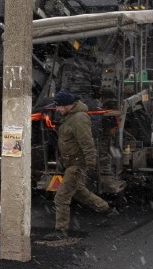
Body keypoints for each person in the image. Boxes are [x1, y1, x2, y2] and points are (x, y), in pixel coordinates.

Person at [48, 90, 117, 238]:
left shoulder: (78, 119)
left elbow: (87, 143)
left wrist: (90, 164)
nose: (57, 110)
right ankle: (106, 209)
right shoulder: (70, 117)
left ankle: (60, 231)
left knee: (61, 196)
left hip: (77, 164)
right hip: (71, 163)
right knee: (80, 192)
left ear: (67, 105)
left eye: (58, 107)